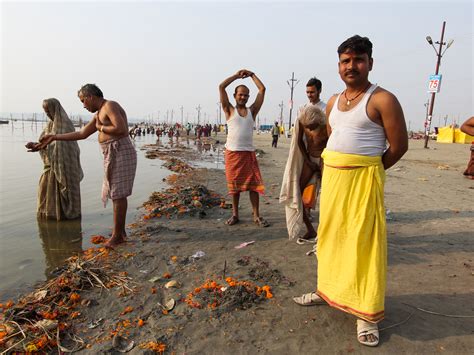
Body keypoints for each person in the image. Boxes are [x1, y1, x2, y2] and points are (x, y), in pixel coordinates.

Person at [293, 35, 408, 347]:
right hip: (333, 181)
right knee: (330, 239)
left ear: (370, 63)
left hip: (363, 182)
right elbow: (332, 139)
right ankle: (325, 290)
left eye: (358, 60)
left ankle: (367, 314)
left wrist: (368, 171)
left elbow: (399, 147)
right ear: (338, 65)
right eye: (345, 61)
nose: (351, 66)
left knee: (363, 246)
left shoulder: (383, 99)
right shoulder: (332, 102)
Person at [38, 84, 137, 248]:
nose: (84, 105)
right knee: (115, 193)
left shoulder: (109, 106)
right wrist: (54, 137)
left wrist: (100, 127)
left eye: (83, 100)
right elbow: (82, 134)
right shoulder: (100, 112)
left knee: (118, 194)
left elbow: (121, 129)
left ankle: (117, 235)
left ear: (91, 96)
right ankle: (120, 232)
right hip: (111, 153)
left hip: (120, 151)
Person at [219, 69, 269, 227]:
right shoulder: (229, 110)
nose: (243, 97)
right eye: (240, 94)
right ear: (235, 96)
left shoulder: (252, 111)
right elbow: (221, 87)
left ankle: (256, 215)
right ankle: (235, 215)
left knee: (254, 186)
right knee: (234, 188)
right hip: (232, 154)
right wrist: (236, 76)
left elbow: (262, 90)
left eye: (246, 95)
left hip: (248, 154)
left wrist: (252, 75)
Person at [26, 98, 83, 220]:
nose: (47, 114)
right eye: (45, 112)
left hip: (64, 168)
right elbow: (46, 144)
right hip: (51, 167)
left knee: (65, 201)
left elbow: (67, 148)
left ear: (55, 110)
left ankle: (65, 222)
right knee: (47, 199)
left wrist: (46, 145)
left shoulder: (65, 125)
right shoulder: (50, 125)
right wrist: (36, 146)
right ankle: (53, 229)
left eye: (49, 111)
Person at [280, 105, 327, 243]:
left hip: (324, 160)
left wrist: (322, 165)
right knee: (297, 194)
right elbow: (299, 141)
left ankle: (326, 231)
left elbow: (331, 146)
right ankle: (310, 229)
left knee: (327, 197)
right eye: (308, 128)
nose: (310, 130)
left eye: (313, 127)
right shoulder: (302, 121)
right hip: (309, 160)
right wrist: (307, 160)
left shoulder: (327, 126)